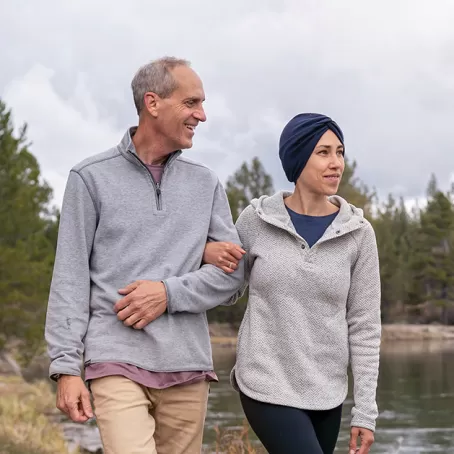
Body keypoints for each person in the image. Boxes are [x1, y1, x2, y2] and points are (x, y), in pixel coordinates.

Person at [45, 57, 245, 454]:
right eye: (191, 103)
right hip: (114, 358)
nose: (201, 115)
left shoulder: (205, 183)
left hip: (187, 365)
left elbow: (233, 277)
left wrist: (168, 293)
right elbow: (69, 277)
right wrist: (66, 368)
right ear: (152, 103)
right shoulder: (90, 178)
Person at [203, 113, 381, 454]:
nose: (336, 164)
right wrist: (203, 252)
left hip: (327, 392)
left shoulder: (359, 234)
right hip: (265, 383)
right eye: (323, 153)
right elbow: (227, 288)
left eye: (340, 152)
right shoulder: (257, 221)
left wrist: (365, 412)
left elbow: (365, 327)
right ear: (298, 159)